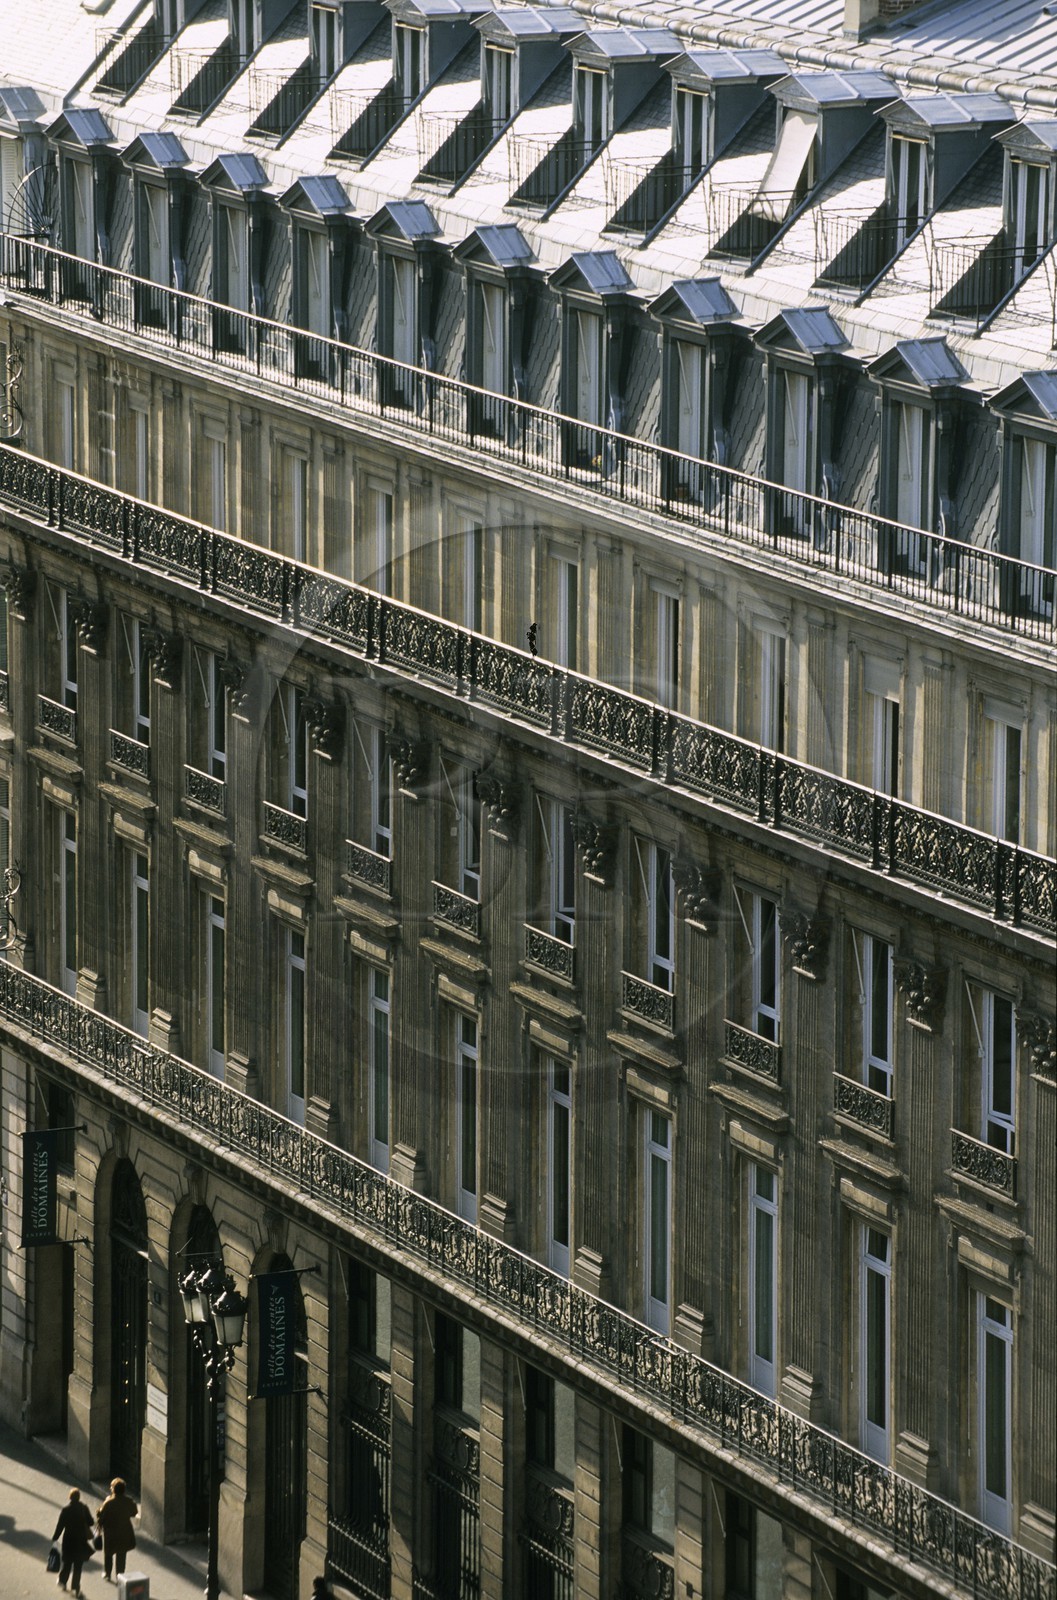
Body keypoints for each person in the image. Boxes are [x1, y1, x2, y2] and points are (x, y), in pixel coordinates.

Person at [52, 1487, 94, 1598]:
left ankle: (63, 1581)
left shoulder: (66, 1510)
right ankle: (75, 1587)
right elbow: (91, 1522)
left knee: (67, 1563)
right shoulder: (84, 1508)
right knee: (78, 1566)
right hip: (80, 1541)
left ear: (70, 1497)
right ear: (79, 1497)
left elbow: (60, 1525)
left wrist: (55, 1537)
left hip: (68, 1540)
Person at [96, 1478, 138, 1583]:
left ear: (114, 1489)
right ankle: (120, 1575)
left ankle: (107, 1573)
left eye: (111, 1486)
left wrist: (99, 1515)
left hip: (111, 1532)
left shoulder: (108, 1502)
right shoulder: (128, 1501)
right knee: (121, 1555)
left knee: (109, 1554)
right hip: (124, 1532)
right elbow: (134, 1512)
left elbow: (101, 1517)